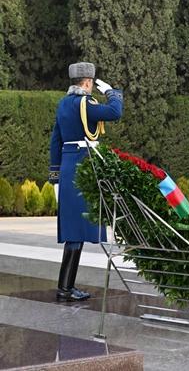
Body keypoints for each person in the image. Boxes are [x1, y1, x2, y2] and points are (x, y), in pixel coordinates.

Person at [48, 62, 123, 301]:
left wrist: (55, 177)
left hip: (69, 169)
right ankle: (65, 289)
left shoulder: (63, 104)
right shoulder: (85, 103)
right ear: (88, 82)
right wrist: (111, 93)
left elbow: (55, 142)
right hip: (84, 168)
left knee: (74, 232)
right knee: (76, 232)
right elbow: (114, 112)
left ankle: (66, 287)